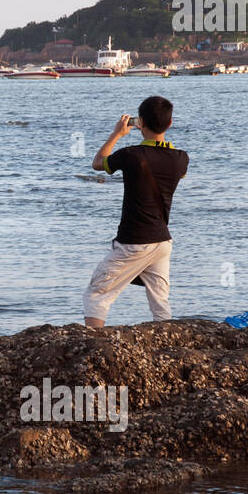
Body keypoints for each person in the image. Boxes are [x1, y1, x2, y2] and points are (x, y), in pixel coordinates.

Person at [83, 95, 189, 327]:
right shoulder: (181, 159)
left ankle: (92, 345)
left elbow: (98, 163)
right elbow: (172, 171)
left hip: (134, 241)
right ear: (170, 123)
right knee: (160, 301)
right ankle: (168, 345)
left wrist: (117, 134)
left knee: (97, 292)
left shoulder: (131, 155)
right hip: (162, 242)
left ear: (139, 123)